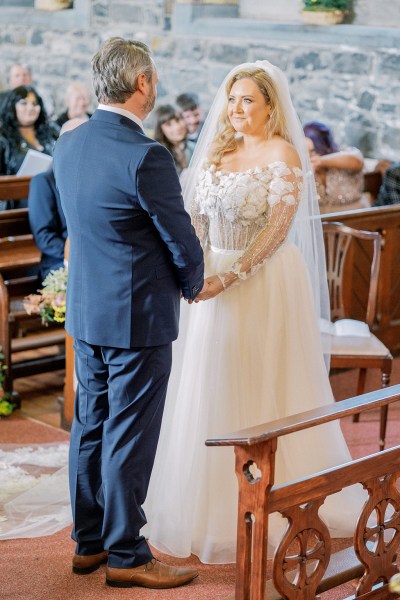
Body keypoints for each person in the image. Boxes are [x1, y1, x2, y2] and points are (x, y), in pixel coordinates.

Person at [143, 61, 366, 564]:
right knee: (208, 379)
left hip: (262, 280)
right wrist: (196, 271)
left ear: (269, 106)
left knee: (259, 380)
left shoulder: (282, 153)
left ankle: (272, 493)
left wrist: (229, 276)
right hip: (210, 280)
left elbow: (276, 230)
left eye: (248, 100)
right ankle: (204, 504)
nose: (237, 109)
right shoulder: (217, 151)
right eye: (232, 99)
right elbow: (195, 217)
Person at [53, 37, 204, 589]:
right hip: (137, 316)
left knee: (90, 426)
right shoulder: (146, 154)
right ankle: (127, 554)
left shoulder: (69, 142)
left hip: (89, 310)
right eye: (155, 78)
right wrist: (195, 281)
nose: (157, 85)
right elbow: (179, 236)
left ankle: (88, 544)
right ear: (141, 84)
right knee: (129, 434)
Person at [28, 119, 86, 284]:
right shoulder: (44, 182)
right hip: (58, 260)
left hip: (91, 258)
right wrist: (77, 256)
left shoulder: (94, 178)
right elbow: (44, 236)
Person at [303, 121, 367, 214]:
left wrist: (321, 161)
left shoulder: (344, 154)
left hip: (357, 217)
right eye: (307, 151)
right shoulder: (305, 167)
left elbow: (357, 161)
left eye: (314, 150)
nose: (311, 155)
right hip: (323, 224)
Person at [0, 85, 59, 176]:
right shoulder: (3, 139)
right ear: (12, 107)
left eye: (35, 104)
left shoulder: (51, 132)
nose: (30, 108)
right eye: (24, 103)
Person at [153, 104, 195, 176]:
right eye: (168, 124)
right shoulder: (157, 155)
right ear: (160, 130)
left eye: (178, 120)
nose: (177, 127)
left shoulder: (193, 147)